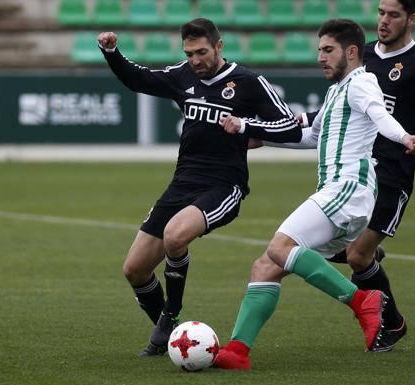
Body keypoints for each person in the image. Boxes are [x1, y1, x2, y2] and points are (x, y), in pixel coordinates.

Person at [212, 19, 415, 369]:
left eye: (328, 50)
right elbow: (311, 137)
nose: (320, 57)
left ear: (352, 52)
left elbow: (379, 114)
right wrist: (254, 133)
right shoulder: (337, 91)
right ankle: (237, 351)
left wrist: (404, 138)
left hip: (348, 188)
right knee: (266, 267)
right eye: (319, 50)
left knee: (279, 247)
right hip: (341, 194)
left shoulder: (361, 83)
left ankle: (363, 302)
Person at [97, 18, 302, 356]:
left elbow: (289, 127)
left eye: (202, 52)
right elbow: (140, 79)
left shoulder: (248, 82)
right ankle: (177, 338)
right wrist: (111, 52)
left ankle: (170, 314)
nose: (195, 60)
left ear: (219, 47)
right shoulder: (184, 75)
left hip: (224, 186)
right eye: (189, 53)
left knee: (175, 236)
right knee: (134, 269)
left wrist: (245, 124)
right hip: (182, 183)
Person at [300, 0, 415, 349]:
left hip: (393, 173)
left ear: (411, 19)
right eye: (381, 13)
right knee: (331, 248)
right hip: (357, 172)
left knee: (357, 255)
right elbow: (338, 103)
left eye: (393, 15)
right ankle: (374, 271)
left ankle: (393, 323)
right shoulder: (364, 56)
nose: (384, 21)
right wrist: (289, 125)